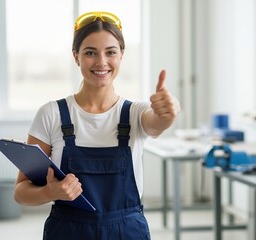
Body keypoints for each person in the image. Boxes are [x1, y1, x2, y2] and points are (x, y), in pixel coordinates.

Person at [13, 11, 180, 240]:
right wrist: (48, 192)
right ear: (76, 56)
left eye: (110, 52)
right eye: (90, 52)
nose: (101, 62)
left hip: (127, 232)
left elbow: (156, 122)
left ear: (121, 55)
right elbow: (21, 192)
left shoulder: (135, 113)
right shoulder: (51, 114)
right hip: (68, 231)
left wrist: (169, 112)